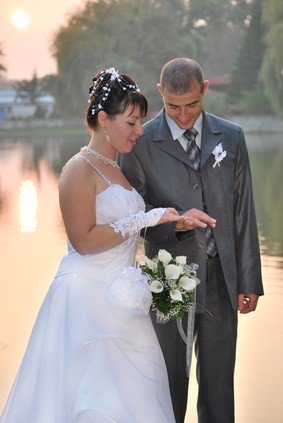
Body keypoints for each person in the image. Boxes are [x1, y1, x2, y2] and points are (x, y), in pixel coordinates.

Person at [0, 67, 181, 423]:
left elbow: (123, 233)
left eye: (140, 122)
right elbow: (83, 240)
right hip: (86, 301)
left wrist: (171, 220)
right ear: (103, 119)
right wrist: (145, 219)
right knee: (95, 404)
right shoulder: (77, 169)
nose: (139, 131)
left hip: (124, 305)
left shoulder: (117, 169)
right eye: (131, 123)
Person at [120, 57, 264, 423]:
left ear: (204, 90)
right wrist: (175, 224)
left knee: (219, 389)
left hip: (222, 280)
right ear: (160, 94)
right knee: (169, 386)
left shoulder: (232, 138)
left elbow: (243, 213)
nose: (183, 116)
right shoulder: (140, 143)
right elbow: (132, 219)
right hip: (168, 281)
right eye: (172, 106)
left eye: (191, 106)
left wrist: (249, 281)